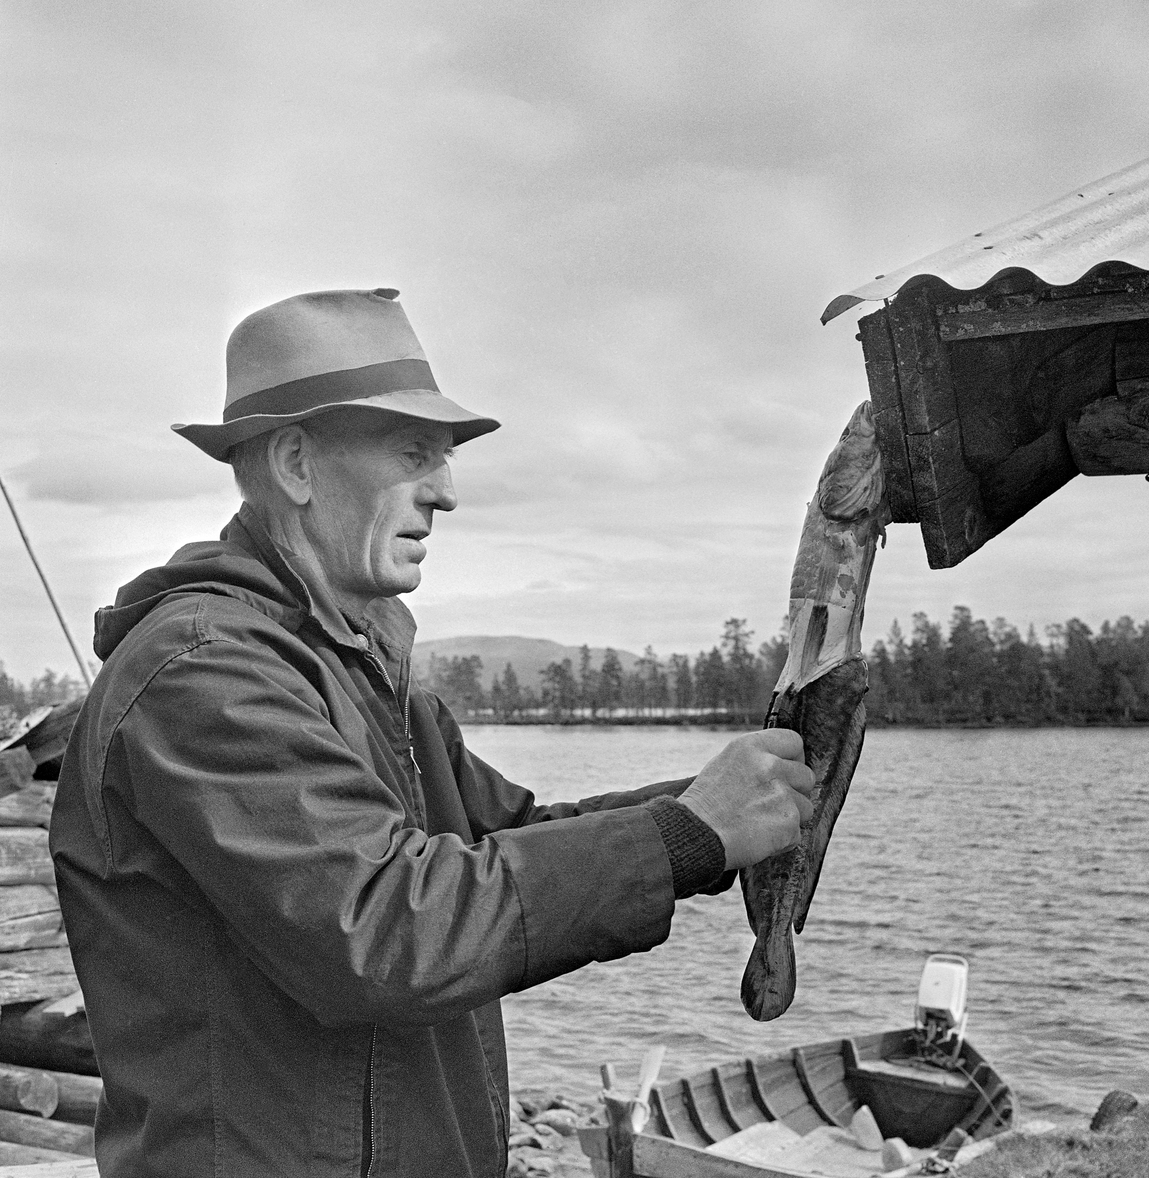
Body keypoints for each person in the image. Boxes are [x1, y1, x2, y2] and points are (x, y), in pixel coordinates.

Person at [50, 288, 814, 1178]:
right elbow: (382, 929)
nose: (446, 492)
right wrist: (685, 837)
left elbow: (507, 841)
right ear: (297, 463)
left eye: (443, 459)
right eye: (414, 453)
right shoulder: (203, 673)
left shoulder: (364, 667)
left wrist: (714, 812)